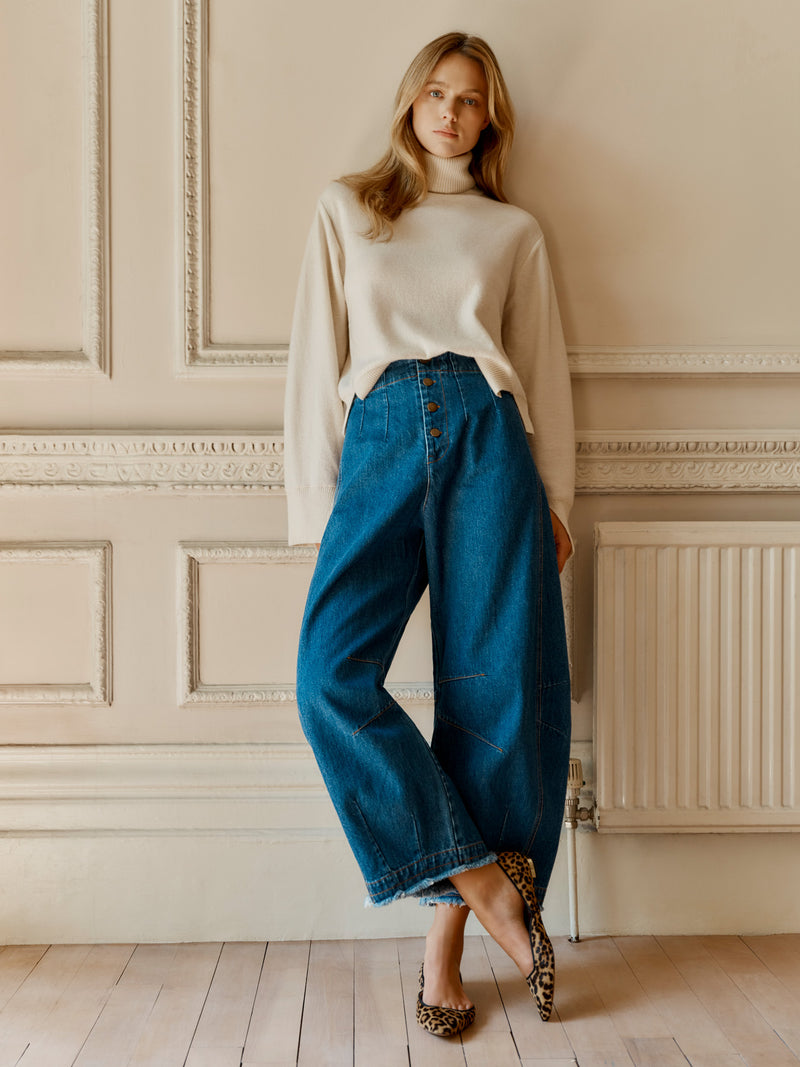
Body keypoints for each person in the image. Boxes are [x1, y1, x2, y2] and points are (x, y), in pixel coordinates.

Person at [285, 31, 574, 1038]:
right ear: (410, 100)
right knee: (328, 675)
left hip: (488, 434)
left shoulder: (511, 230)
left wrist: (558, 501)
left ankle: (442, 953)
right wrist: (317, 513)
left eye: (470, 99)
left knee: (488, 687)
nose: (449, 111)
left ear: (489, 118)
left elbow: (539, 375)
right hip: (376, 438)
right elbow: (315, 363)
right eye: (435, 92)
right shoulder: (349, 208)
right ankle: (487, 883)